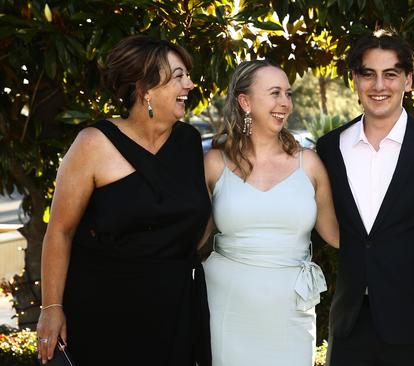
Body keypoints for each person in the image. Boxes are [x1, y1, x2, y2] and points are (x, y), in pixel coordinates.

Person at [36, 35, 212, 365]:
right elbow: (59, 231)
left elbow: (195, 221)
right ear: (145, 88)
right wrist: (51, 307)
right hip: (103, 312)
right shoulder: (94, 143)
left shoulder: (189, 142)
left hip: (174, 312)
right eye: (178, 76)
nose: (189, 84)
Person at [316, 30, 414, 366]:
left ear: (408, 81)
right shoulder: (329, 148)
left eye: (390, 74)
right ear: (355, 80)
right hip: (349, 327)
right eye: (368, 74)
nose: (378, 86)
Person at [202, 60, 339, 366]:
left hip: (290, 307)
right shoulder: (214, 163)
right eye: (275, 93)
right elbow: (192, 235)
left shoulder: (310, 164)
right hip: (227, 304)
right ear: (245, 101)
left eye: (288, 94)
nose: (285, 103)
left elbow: (336, 234)